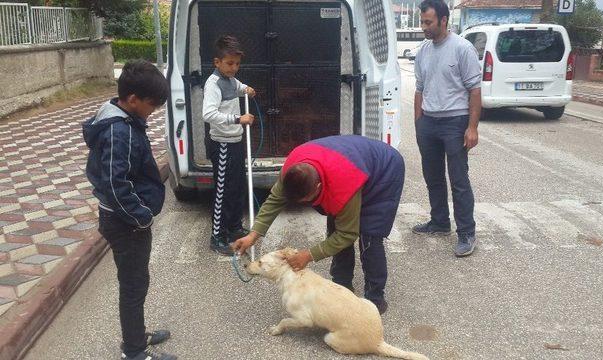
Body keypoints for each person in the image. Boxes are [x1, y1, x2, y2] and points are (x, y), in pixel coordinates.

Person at [232, 135, 405, 314]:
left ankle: (374, 299)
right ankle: (342, 287)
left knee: (369, 236)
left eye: (307, 200)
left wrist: (309, 255)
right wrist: (253, 235)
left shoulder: (342, 183)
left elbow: (347, 234)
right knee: (336, 228)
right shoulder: (292, 170)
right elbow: (275, 200)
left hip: (383, 172)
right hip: (351, 164)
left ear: (319, 186)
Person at [83, 60, 176, 360]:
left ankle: (136, 334)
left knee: (136, 283)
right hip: (125, 223)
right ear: (133, 99)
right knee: (134, 286)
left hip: (127, 219)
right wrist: (142, 217)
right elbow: (115, 184)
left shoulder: (124, 117)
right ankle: (135, 351)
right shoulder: (118, 131)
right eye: (152, 105)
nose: (154, 110)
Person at [412, 0, 482, 257]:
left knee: (459, 180)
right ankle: (440, 222)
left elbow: (475, 90)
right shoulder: (423, 50)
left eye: (428, 22)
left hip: (455, 122)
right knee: (433, 178)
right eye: (422, 22)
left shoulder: (463, 49)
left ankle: (466, 233)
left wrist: (472, 128)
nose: (424, 27)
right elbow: (419, 88)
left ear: (443, 20)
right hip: (428, 123)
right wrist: (418, 123)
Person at [202, 35, 256, 255]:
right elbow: (208, 114)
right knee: (223, 191)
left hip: (235, 141)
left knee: (236, 188)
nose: (234, 68)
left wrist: (246, 89)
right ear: (217, 62)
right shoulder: (213, 84)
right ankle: (217, 236)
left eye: (237, 64)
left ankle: (234, 228)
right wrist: (237, 119)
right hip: (222, 144)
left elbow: (238, 86)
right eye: (230, 64)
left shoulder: (231, 80)